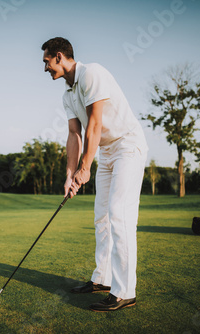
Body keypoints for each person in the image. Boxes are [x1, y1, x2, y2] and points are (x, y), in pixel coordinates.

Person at [41, 37, 148, 312]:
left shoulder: (92, 73)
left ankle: (125, 291)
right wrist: (70, 174)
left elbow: (96, 123)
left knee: (118, 213)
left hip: (128, 145)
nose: (45, 69)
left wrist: (85, 167)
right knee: (101, 216)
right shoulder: (67, 94)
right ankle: (102, 279)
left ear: (59, 56)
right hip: (108, 153)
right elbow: (74, 135)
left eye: (46, 62)